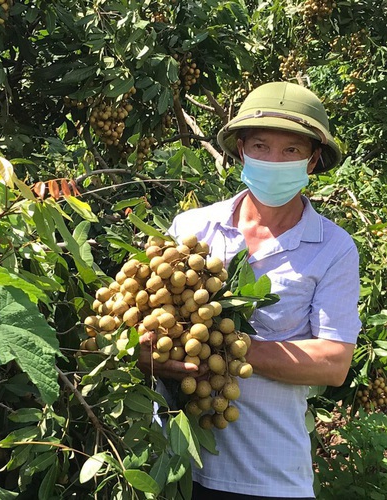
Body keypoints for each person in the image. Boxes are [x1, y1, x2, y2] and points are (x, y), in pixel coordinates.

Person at [138, 81, 361, 499]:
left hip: (270, 475)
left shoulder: (334, 248)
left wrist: (228, 346)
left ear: (312, 161)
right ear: (241, 150)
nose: (273, 160)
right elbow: (147, 318)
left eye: (291, 151)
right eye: (260, 145)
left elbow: (333, 363)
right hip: (173, 464)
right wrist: (147, 353)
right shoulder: (192, 230)